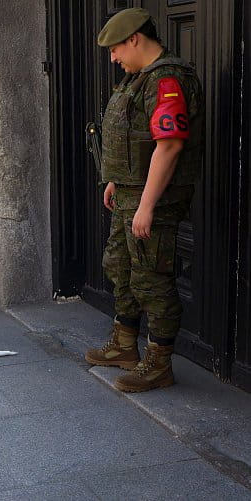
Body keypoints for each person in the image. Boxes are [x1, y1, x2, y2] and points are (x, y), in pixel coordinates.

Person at [84, 8, 203, 393]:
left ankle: (158, 363)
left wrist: (148, 205)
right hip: (130, 194)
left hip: (155, 200)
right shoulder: (138, 80)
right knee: (119, 266)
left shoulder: (167, 80)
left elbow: (168, 146)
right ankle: (124, 345)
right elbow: (135, 140)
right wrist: (118, 180)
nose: (113, 58)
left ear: (134, 38)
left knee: (153, 279)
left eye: (115, 49)